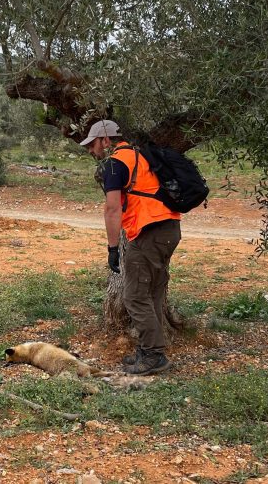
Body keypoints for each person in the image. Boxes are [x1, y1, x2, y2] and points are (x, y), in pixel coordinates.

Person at [80, 120, 181, 375]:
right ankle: (150, 349)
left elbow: (112, 208)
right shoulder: (139, 155)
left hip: (148, 232)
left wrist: (113, 248)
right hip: (170, 228)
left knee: (134, 296)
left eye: (93, 144)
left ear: (105, 140)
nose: (92, 151)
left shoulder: (115, 163)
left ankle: (154, 355)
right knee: (153, 293)